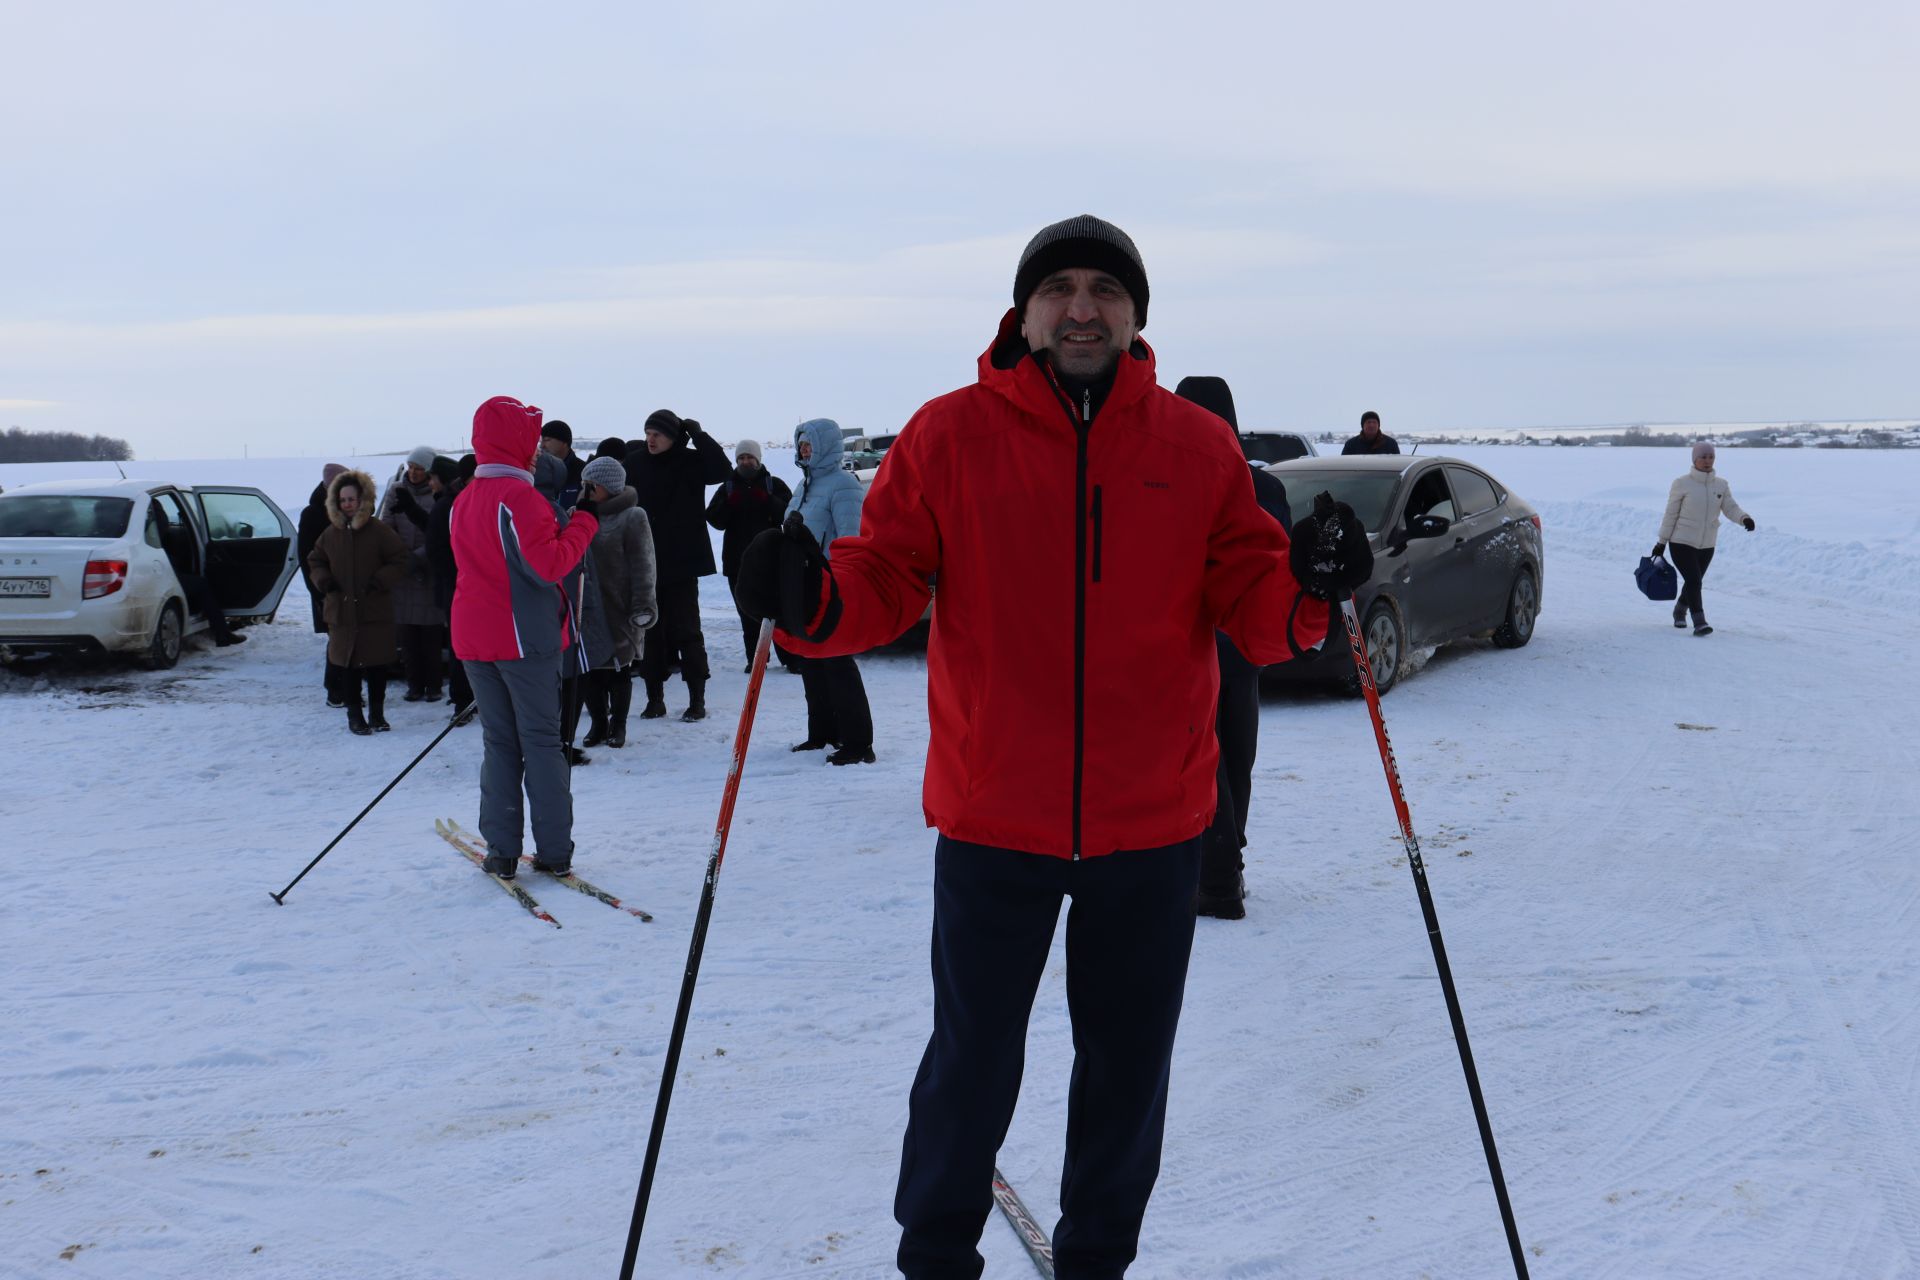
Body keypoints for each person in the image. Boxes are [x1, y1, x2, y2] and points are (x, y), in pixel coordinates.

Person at [738, 214, 1370, 1278]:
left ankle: (1096, 1259)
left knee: (1126, 1071)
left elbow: (1253, 605)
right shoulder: (947, 436)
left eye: (1106, 291)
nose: (1083, 308)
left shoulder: (1194, 445)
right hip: (996, 814)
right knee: (970, 1064)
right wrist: (814, 601)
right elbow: (885, 578)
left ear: (1135, 315)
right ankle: (935, 1255)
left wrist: (1309, 587)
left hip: (1152, 821)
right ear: (1023, 310)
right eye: (1061, 289)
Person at [450, 396, 600, 878]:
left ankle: (502, 850)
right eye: (530, 440)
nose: (536, 450)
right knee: (540, 743)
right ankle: (554, 851)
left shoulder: (464, 498)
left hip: (476, 638)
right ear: (514, 443)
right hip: (523, 640)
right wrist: (583, 523)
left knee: (499, 743)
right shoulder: (520, 499)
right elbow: (550, 565)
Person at [1173, 375, 1292, 921]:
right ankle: (1228, 859)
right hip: (1242, 641)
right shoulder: (1265, 487)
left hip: (1198, 637)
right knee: (1235, 748)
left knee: (1207, 751)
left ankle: (1218, 874)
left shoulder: (1170, 479)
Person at [624, 408, 730, 721]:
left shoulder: (692, 461)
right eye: (647, 434)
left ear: (673, 437)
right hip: (647, 560)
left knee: (687, 631)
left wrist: (699, 435)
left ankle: (697, 699)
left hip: (683, 561)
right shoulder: (635, 463)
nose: (650, 440)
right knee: (650, 632)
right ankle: (654, 699)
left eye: (657, 434)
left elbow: (722, 470)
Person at [786, 419, 875, 765]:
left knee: (837, 664)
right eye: (801, 445)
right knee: (811, 662)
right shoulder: (803, 486)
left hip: (831, 586)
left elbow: (850, 539)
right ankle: (822, 734)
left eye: (810, 445)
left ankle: (858, 743)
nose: (804, 451)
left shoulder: (843, 485)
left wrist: (839, 582)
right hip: (804, 585)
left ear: (826, 447)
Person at [306, 469, 410, 734]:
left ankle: (377, 713)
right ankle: (355, 716)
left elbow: (399, 559)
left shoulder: (379, 531)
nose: (347, 504)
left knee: (376, 666)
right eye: (343, 500)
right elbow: (315, 560)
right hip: (341, 612)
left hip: (373, 610)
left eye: (352, 499)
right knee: (349, 666)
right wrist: (324, 581)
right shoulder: (330, 533)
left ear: (362, 499)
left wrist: (380, 580)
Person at [577, 454, 658, 749]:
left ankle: (618, 725)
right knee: (589, 671)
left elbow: (643, 564)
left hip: (619, 606)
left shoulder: (632, 516)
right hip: (586, 608)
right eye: (583, 483)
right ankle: (598, 722)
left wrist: (643, 605)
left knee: (618, 670)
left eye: (592, 485)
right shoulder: (578, 513)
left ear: (609, 486)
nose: (585, 490)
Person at [705, 438, 793, 671]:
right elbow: (714, 519)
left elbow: (790, 513)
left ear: (758, 460)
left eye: (749, 457)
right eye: (741, 458)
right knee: (748, 614)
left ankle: (791, 658)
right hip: (737, 563)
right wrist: (729, 505)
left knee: (779, 611)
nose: (745, 462)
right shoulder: (728, 487)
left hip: (771, 561)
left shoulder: (774, 484)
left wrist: (768, 501)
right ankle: (756, 661)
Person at [1652, 440, 1754, 637]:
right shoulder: (1682, 483)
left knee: (1694, 581)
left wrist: (1744, 518)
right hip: (1681, 541)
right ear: (1694, 459)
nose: (1708, 461)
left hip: (1707, 544)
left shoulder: (1721, 485)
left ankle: (1679, 610)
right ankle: (1699, 621)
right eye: (1703, 457)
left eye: (1711, 457)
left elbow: (1730, 507)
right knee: (1694, 580)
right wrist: (1661, 542)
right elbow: (1670, 514)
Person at [533, 452, 593, 765]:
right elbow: (572, 563)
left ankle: (547, 743)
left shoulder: (518, 508)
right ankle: (559, 744)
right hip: (561, 613)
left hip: (532, 615)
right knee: (571, 676)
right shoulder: (553, 512)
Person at [378, 446, 447, 704]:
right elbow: (386, 527)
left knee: (430, 637)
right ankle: (414, 684)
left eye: (420, 468)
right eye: (411, 467)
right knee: (407, 638)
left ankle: (434, 685)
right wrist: (402, 557)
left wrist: (418, 557)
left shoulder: (437, 496)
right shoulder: (396, 492)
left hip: (428, 574)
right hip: (403, 574)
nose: (414, 472)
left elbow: (438, 533)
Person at [424, 454, 474, 716]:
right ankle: (462, 702)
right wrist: (462, 576)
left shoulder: (467, 501)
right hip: (455, 589)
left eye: (432, 477)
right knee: (460, 647)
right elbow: (436, 551)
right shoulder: (447, 506)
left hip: (474, 589)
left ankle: (476, 698)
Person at [298, 463, 348, 704]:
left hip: (349, 587)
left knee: (349, 637)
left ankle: (346, 688)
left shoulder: (348, 508)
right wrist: (319, 591)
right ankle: (335, 690)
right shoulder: (313, 514)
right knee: (337, 639)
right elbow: (306, 558)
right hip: (326, 589)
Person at [541, 419, 586, 506]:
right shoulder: (536, 471)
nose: (542, 445)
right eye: (541, 440)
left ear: (564, 442)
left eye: (547, 440)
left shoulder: (582, 472)